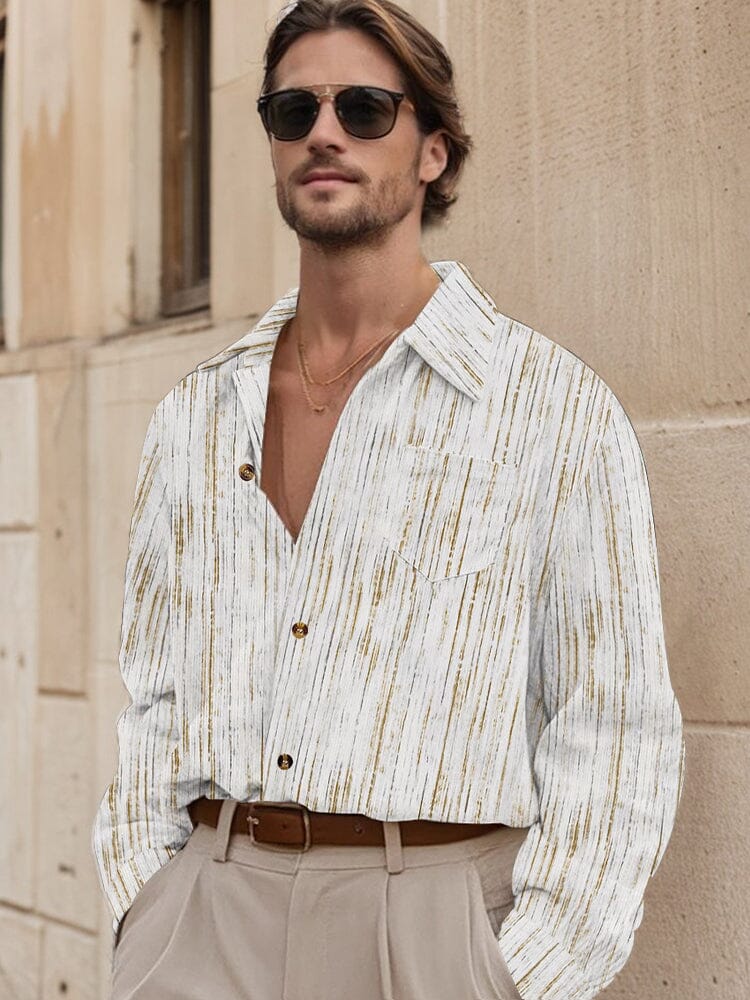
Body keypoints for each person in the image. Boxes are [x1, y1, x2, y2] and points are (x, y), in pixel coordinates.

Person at [91, 2, 686, 998]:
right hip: (201, 920)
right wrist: (144, 912)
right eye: (294, 111)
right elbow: (152, 695)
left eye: (364, 108)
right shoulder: (195, 416)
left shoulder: (550, 408)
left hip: (429, 933)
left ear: (432, 152)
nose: (324, 133)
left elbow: (614, 728)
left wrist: (515, 977)